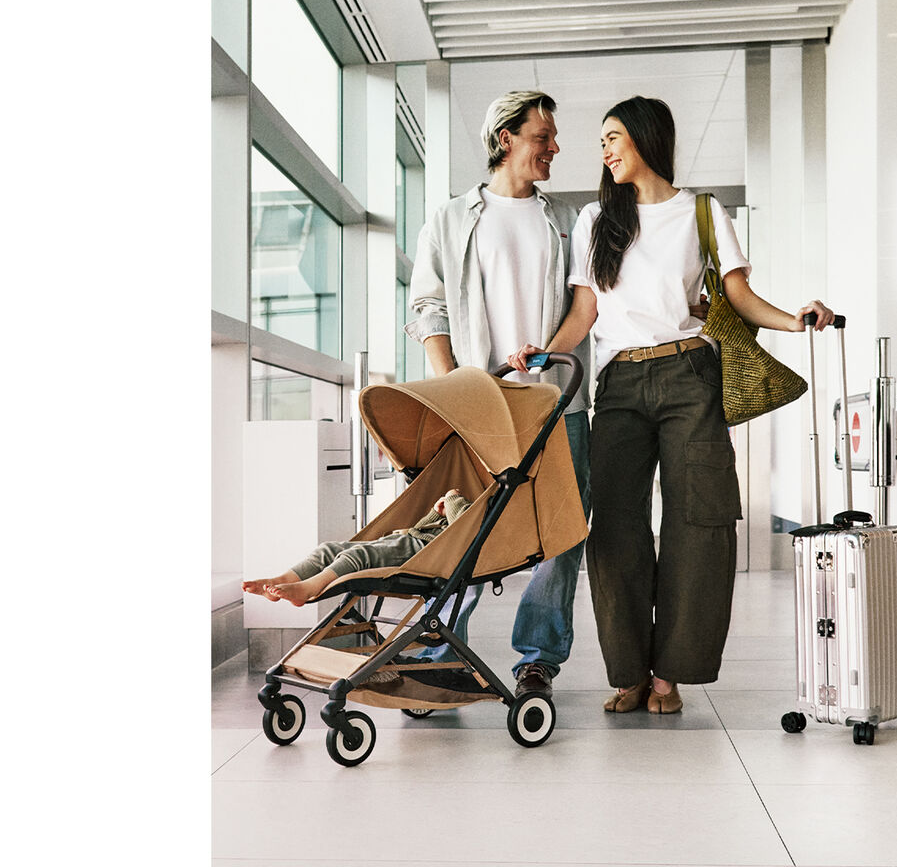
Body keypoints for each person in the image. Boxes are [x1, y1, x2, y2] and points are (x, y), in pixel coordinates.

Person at [508, 95, 835, 715]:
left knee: (700, 522)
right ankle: (629, 671)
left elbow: (738, 296)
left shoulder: (702, 212)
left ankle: (670, 674)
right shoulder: (595, 219)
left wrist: (797, 321)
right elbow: (585, 311)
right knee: (614, 527)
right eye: (602, 142)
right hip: (620, 384)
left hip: (691, 374)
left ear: (646, 137)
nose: (604, 151)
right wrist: (546, 353)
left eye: (612, 137)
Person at [405, 90, 593, 698]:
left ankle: (538, 658)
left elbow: (586, 302)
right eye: (543, 137)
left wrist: (548, 356)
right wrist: (454, 389)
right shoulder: (450, 218)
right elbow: (428, 307)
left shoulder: (567, 219)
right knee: (464, 525)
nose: (555, 147)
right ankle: (440, 651)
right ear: (506, 137)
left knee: (561, 531)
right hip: (482, 404)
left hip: (558, 401)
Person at [242, 489, 470, 606]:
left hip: (423, 553)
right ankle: (282, 579)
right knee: (328, 549)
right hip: (408, 540)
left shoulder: (473, 516)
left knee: (359, 555)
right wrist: (435, 514)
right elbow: (419, 529)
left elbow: (464, 526)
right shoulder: (449, 520)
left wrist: (452, 498)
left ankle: (309, 588)